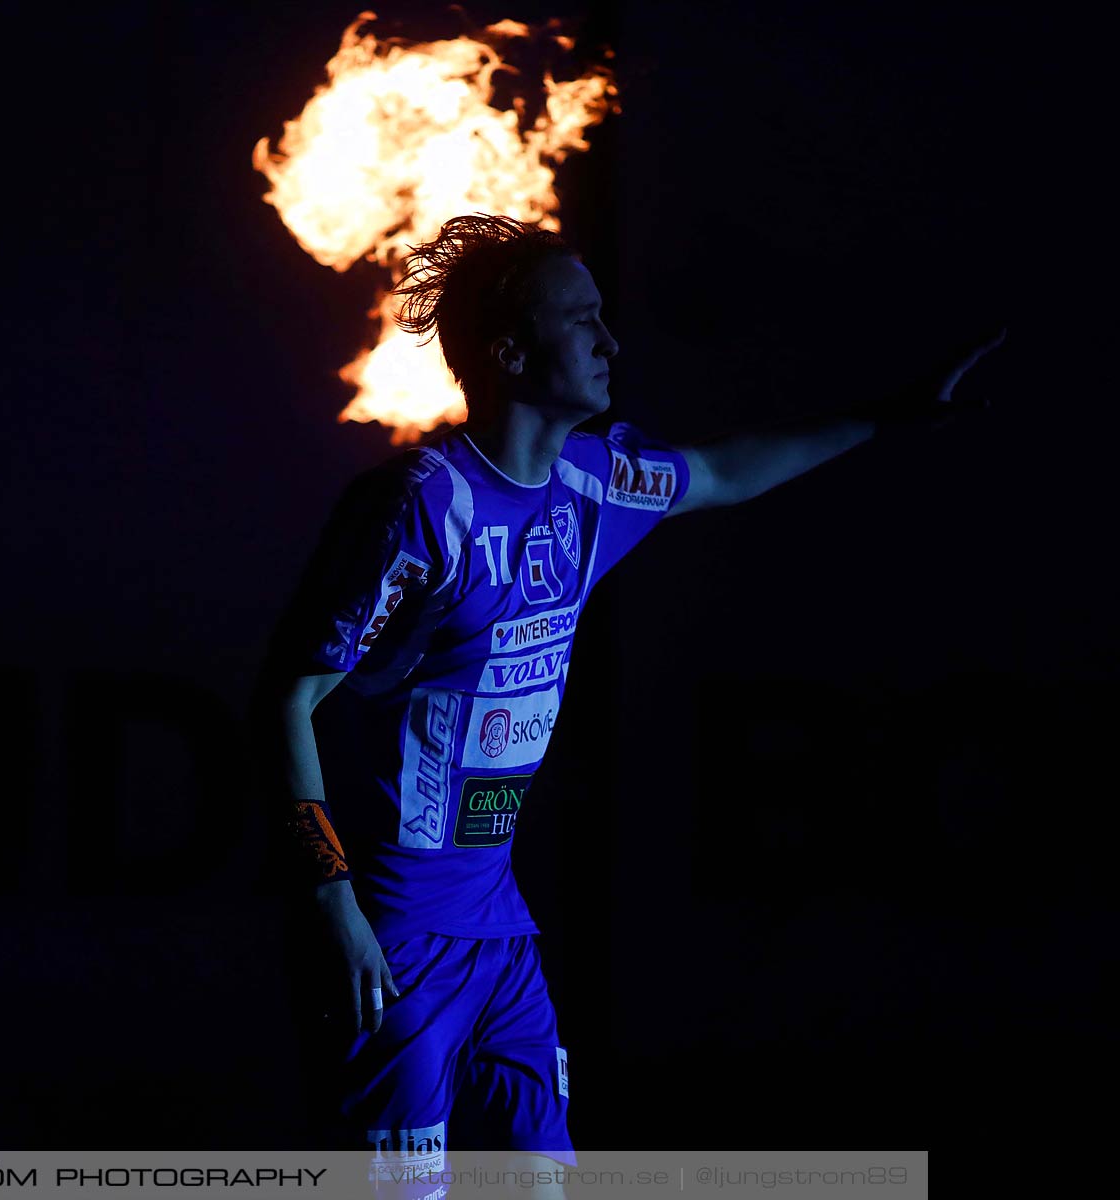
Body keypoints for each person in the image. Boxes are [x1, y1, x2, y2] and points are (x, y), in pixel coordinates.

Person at [255, 213, 1003, 1191]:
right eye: (585, 322)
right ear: (512, 351)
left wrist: (890, 416)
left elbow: (730, 470)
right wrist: (331, 904)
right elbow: (284, 698)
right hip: (393, 939)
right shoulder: (421, 508)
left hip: (502, 929)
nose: (612, 343)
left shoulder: (591, 483)